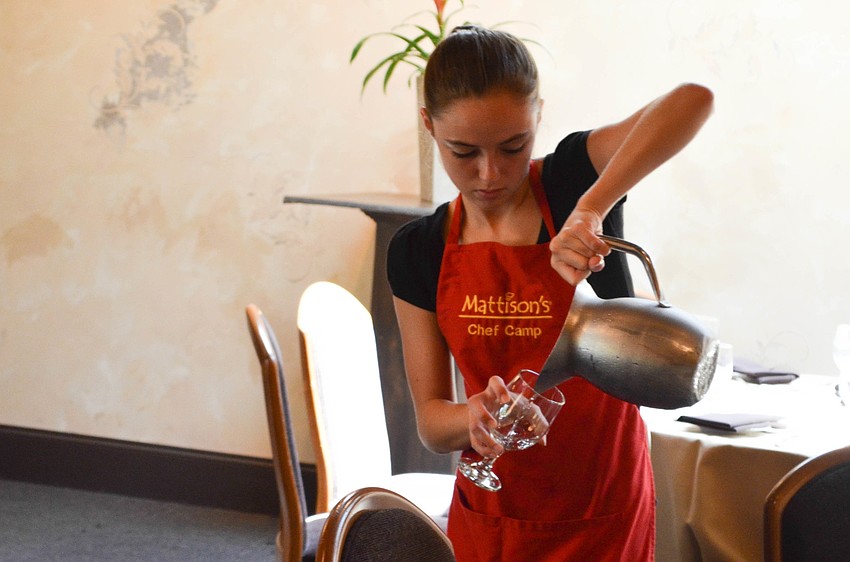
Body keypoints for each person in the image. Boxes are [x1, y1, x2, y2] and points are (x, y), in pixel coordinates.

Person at [387, 24, 713, 561]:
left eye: (513, 147)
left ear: (538, 115)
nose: (489, 174)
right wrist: (472, 417)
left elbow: (694, 100)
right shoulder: (418, 250)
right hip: (495, 508)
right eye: (463, 152)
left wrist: (593, 207)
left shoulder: (572, 181)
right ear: (429, 125)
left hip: (602, 501)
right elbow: (431, 423)